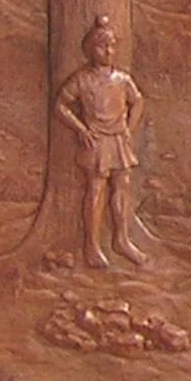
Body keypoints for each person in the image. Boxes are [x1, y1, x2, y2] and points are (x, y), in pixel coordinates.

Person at [54, 15, 150, 268]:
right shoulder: (82, 79)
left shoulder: (122, 79)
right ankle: (92, 245)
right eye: (101, 47)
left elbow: (138, 101)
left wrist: (129, 128)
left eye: (111, 46)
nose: (107, 52)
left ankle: (121, 239)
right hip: (97, 141)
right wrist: (81, 129)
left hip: (118, 139)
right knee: (96, 189)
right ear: (89, 50)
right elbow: (61, 105)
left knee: (121, 186)